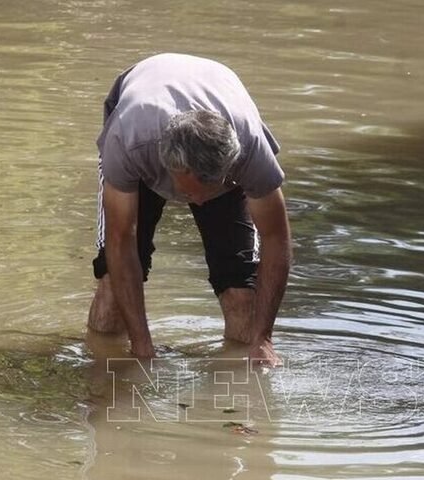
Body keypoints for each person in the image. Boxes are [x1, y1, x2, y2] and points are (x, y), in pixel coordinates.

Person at [86, 53, 290, 367]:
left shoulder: (250, 151)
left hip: (223, 126)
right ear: (171, 167)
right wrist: (142, 348)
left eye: (207, 192)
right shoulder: (128, 142)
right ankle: (101, 378)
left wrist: (263, 339)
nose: (196, 202)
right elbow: (120, 238)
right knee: (115, 282)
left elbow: (276, 237)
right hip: (142, 133)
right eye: (188, 189)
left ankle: (238, 398)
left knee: (241, 292)